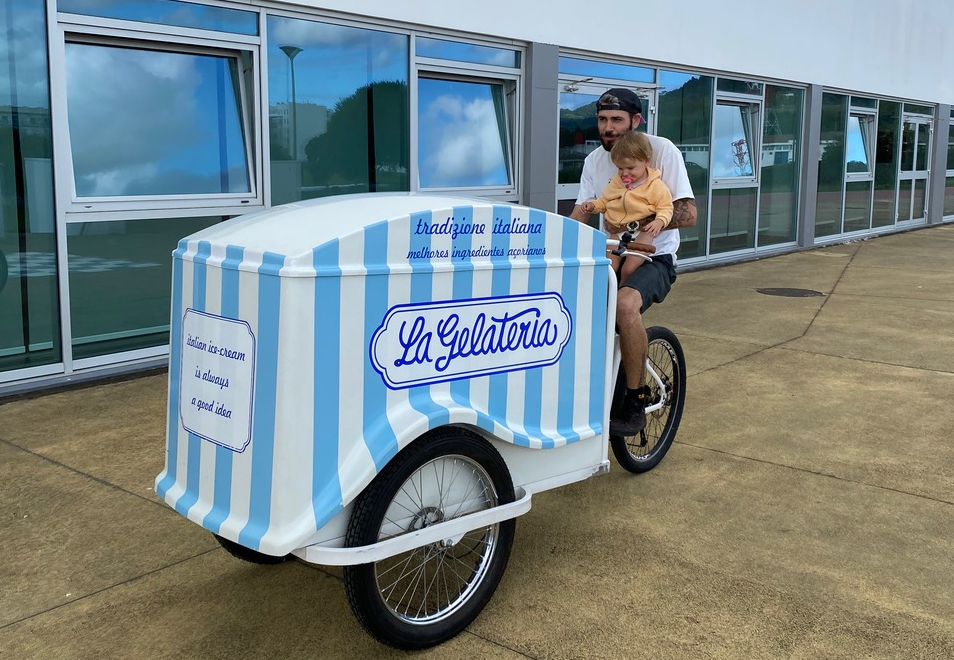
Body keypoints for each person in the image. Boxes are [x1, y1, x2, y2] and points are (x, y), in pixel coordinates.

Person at [569, 87, 697, 436]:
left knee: (625, 304)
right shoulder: (594, 161)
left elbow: (687, 213)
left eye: (616, 120)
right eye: (602, 119)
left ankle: (636, 399)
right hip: (613, 251)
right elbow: (583, 209)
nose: (607, 128)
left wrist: (638, 224)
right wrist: (559, 240)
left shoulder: (662, 152)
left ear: (636, 121)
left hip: (656, 255)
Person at [579, 130, 673, 282]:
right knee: (608, 267)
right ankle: (608, 295)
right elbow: (606, 201)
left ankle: (622, 290)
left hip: (642, 235)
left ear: (646, 161)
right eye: (620, 168)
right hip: (616, 233)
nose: (624, 173)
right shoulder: (617, 182)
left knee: (629, 269)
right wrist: (593, 206)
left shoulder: (656, 186)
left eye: (630, 168)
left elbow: (666, 208)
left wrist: (660, 221)